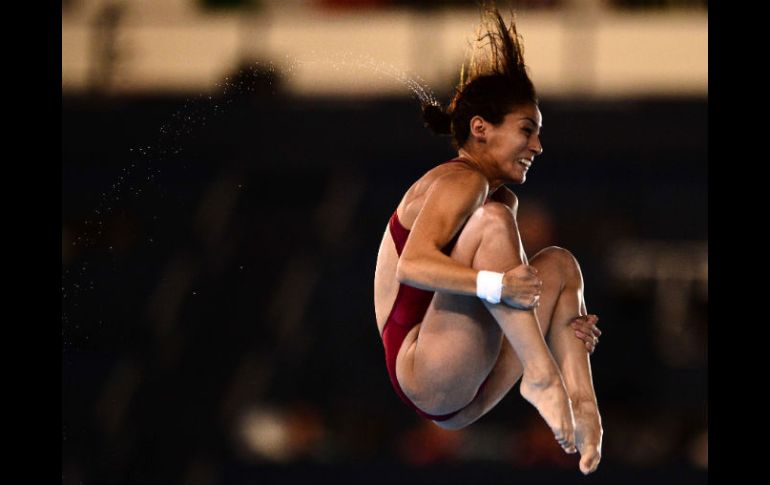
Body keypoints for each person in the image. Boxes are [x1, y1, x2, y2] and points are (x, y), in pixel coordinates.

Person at [373, 5, 603, 475]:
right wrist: (498, 288)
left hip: (465, 385)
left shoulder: (497, 197)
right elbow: (412, 265)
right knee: (496, 223)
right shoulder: (462, 182)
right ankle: (541, 376)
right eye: (527, 130)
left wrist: (564, 326)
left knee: (560, 264)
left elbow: (504, 294)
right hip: (423, 369)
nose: (537, 146)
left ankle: (584, 406)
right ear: (481, 129)